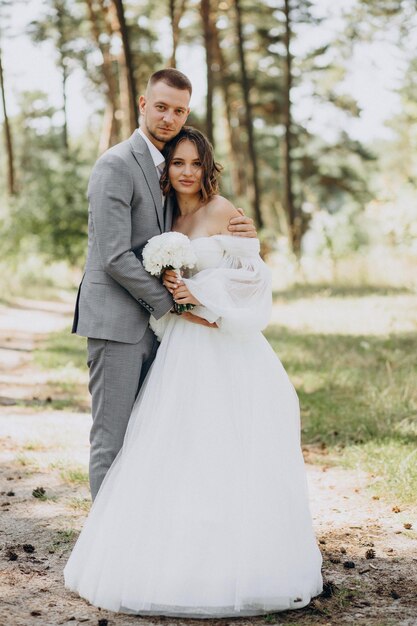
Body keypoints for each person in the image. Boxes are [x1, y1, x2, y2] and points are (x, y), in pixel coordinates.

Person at [64, 127, 323, 617]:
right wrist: (176, 298)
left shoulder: (224, 211)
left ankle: (230, 559)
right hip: (180, 345)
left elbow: (254, 277)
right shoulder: (168, 214)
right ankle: (148, 550)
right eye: (177, 163)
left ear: (207, 168)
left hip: (218, 344)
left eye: (195, 164)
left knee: (218, 445)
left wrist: (200, 296)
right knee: (169, 445)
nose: (186, 172)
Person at [72, 68, 256, 500]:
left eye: (178, 110)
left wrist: (241, 232)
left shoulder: (168, 170)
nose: (168, 118)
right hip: (117, 325)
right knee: (112, 441)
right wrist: (175, 304)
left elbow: (193, 230)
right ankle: (103, 555)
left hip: (161, 333)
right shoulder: (116, 164)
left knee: (148, 439)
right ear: (142, 104)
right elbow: (114, 255)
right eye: (160, 107)